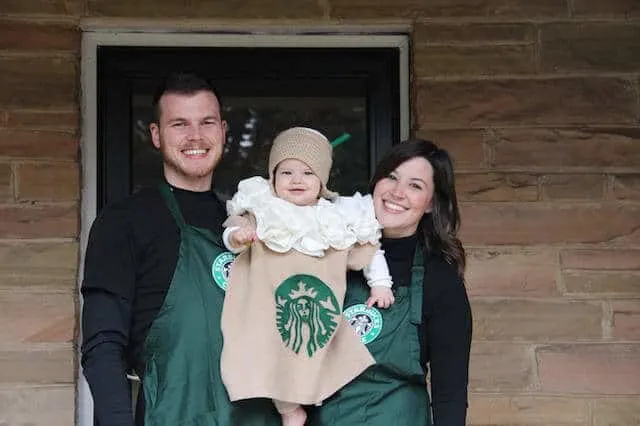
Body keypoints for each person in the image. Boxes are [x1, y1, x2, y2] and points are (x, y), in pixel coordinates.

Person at [80, 72, 279, 426]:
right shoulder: (124, 221)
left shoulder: (248, 222)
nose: (196, 137)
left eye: (207, 122)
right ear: (156, 135)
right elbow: (103, 345)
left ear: (223, 130)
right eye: (179, 124)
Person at [219, 127, 395, 426]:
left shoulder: (335, 217)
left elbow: (369, 244)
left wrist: (381, 282)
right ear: (273, 177)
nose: (297, 180)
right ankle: (289, 409)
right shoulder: (263, 208)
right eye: (286, 172)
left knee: (306, 352)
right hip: (265, 300)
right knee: (262, 350)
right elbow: (232, 226)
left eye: (308, 173)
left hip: (314, 302)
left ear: (322, 181)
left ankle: (299, 404)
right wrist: (238, 236)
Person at [308, 139, 473, 426]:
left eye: (415, 186)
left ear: (431, 203)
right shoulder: (329, 252)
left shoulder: (440, 279)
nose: (397, 192)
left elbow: (450, 393)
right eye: (392, 177)